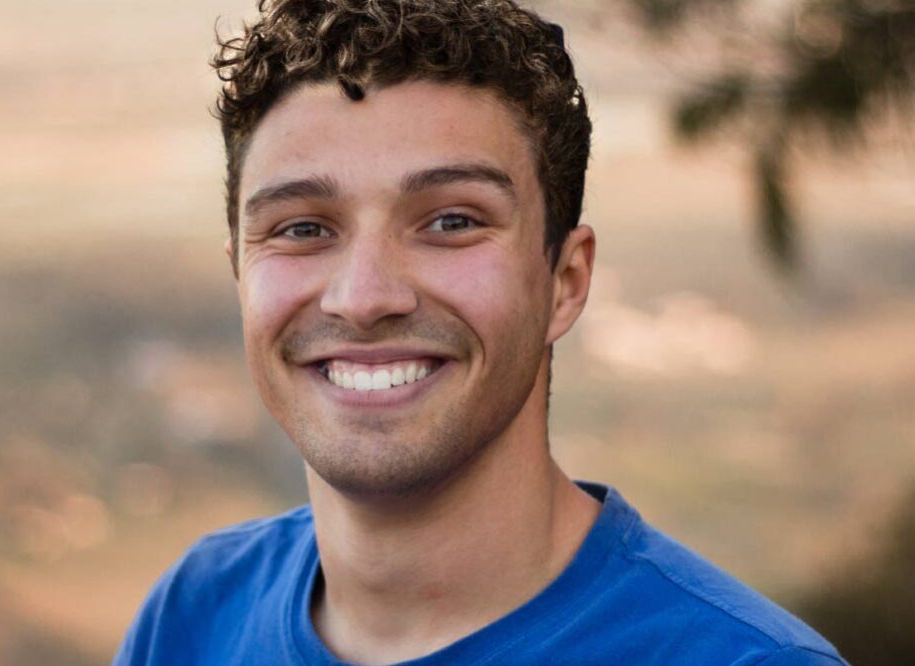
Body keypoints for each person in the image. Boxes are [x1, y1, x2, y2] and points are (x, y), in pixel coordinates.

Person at [113, 0, 847, 664]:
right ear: (241, 275)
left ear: (565, 281)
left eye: (451, 221)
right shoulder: (194, 618)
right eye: (303, 229)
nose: (364, 298)